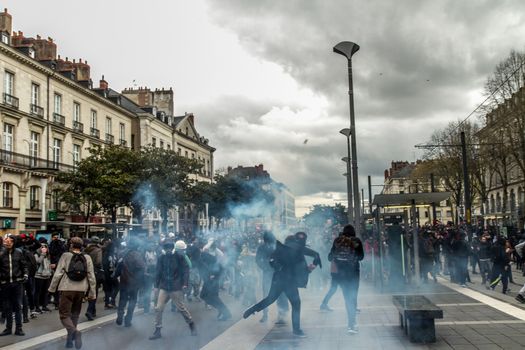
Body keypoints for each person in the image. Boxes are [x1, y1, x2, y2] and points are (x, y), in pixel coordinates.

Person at [243, 232, 321, 338]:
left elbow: (271, 261)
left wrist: (278, 268)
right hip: (289, 281)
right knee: (296, 304)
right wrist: (313, 266)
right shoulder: (298, 247)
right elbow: (315, 255)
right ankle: (296, 330)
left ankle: (251, 310)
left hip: (278, 278)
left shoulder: (281, 248)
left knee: (270, 299)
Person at [48, 236, 96, 349]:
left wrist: (51, 289)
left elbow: (58, 273)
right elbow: (91, 276)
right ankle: (69, 342)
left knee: (64, 315)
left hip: (66, 288)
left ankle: (75, 332)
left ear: (71, 245)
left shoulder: (65, 255)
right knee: (74, 315)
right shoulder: (87, 257)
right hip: (81, 290)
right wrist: (92, 293)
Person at [149, 240, 196, 340]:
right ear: (164, 249)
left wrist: (184, 283)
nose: (168, 250)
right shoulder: (161, 258)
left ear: (173, 248)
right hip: (164, 287)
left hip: (175, 287)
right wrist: (156, 286)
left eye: (170, 248)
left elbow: (185, 270)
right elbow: (158, 272)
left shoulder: (179, 257)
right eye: (166, 249)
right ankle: (157, 330)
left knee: (181, 308)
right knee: (158, 308)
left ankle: (192, 325)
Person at [329, 224, 364, 334]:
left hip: (341, 274)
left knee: (347, 298)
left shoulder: (337, 240)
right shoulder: (356, 241)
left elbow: (330, 257)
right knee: (353, 297)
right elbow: (361, 257)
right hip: (353, 273)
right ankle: (352, 324)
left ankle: (350, 324)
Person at [256, 231, 289, 322]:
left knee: (277, 294)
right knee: (270, 294)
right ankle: (269, 315)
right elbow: (258, 260)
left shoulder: (275, 246)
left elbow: (258, 260)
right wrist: (265, 267)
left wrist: (268, 267)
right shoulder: (263, 247)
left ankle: (279, 315)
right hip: (271, 273)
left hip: (276, 273)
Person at [0, 235, 28, 336]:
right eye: (6, 241)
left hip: (17, 283)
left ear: (13, 242)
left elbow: (24, 265)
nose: (8, 243)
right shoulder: (1, 254)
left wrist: (25, 274)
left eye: (10, 241)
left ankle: (19, 328)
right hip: (5, 284)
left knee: (18, 307)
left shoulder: (19, 253)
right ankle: (8, 328)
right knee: (7, 307)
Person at [115, 238, 145, 327]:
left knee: (122, 300)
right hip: (134, 283)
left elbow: (118, 265)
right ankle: (128, 320)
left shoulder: (122, 253)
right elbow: (141, 268)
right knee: (132, 301)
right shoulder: (137, 255)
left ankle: (120, 316)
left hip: (124, 281)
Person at [84, 236, 103, 320]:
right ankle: (89, 311)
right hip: (94, 272)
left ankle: (93, 311)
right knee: (94, 292)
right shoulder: (98, 250)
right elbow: (98, 262)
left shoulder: (85, 250)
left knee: (89, 291)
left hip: (85, 272)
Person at [34, 243, 53, 313]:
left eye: (45, 247)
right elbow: (38, 262)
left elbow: (48, 265)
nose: (44, 248)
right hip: (39, 276)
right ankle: (37, 306)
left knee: (45, 292)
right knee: (38, 292)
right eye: (42, 247)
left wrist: (51, 269)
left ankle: (44, 306)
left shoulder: (48, 256)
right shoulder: (36, 254)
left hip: (47, 275)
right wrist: (42, 254)